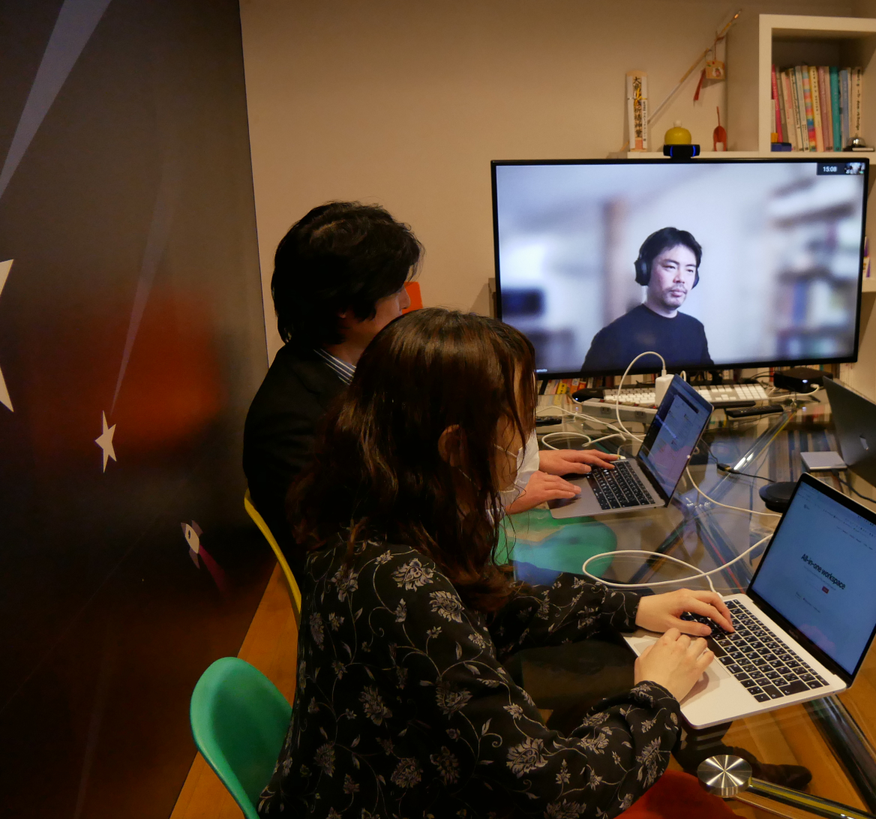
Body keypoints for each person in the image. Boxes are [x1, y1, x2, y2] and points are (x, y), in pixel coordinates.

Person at [260, 309, 731, 818]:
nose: (530, 437)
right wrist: (656, 693)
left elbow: (492, 608)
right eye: (522, 418)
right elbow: (558, 794)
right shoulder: (401, 585)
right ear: (456, 446)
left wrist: (630, 608)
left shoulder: (377, 516)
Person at [244, 202, 614, 578]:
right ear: (344, 304)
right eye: (395, 290)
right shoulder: (289, 419)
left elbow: (407, 460)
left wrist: (499, 459)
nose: (406, 302)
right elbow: (362, 547)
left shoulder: (361, 369)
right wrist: (494, 502)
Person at [580, 227, 713, 374]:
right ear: (645, 270)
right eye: (671, 267)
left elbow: (711, 381)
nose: (681, 279)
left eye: (690, 270)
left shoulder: (695, 329)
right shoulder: (613, 336)